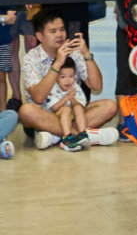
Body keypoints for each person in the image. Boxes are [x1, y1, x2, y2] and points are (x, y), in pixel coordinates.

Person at [17, 9, 117, 143]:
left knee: (110, 106)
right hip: (45, 116)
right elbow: (39, 98)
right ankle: (85, 136)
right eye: (53, 31)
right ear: (40, 36)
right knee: (26, 111)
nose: (59, 35)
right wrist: (57, 63)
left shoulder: (74, 52)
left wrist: (87, 55)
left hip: (73, 114)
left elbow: (96, 86)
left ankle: (56, 136)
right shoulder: (31, 58)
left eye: (62, 30)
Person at [42, 60, 91, 151]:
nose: (68, 80)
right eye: (63, 77)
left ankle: (82, 134)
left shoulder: (75, 87)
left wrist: (73, 100)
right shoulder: (52, 87)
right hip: (54, 116)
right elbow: (54, 108)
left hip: (71, 117)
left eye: (71, 76)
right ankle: (67, 137)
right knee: (66, 109)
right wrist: (67, 97)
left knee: (78, 108)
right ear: (56, 77)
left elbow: (82, 106)